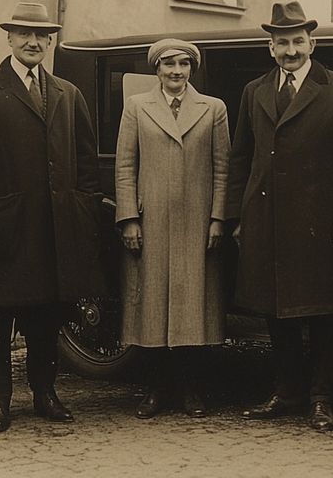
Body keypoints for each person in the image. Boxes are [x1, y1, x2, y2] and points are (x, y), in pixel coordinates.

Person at [0, 2, 105, 433]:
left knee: (47, 317)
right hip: (3, 227)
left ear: (50, 42)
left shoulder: (66, 93)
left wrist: (84, 205)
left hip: (54, 229)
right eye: (24, 34)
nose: (33, 42)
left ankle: (45, 393)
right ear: (9, 38)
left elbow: (86, 161)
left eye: (42, 36)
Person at [227, 1, 333, 431]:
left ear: (312, 44)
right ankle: (287, 391)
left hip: (318, 221)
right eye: (282, 43)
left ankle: (321, 397)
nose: (290, 50)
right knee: (276, 310)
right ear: (270, 48)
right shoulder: (254, 91)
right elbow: (240, 158)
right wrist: (237, 216)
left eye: (297, 41)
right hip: (267, 218)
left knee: (324, 312)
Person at [115, 38, 230, 419]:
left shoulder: (213, 109)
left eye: (183, 64)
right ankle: (155, 389)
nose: (176, 71)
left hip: (197, 222)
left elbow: (222, 169)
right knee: (152, 307)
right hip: (152, 221)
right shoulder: (137, 107)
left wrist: (217, 218)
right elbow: (125, 166)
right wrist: (129, 218)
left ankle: (191, 389)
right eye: (169, 64)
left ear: (192, 69)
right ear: (157, 69)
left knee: (193, 306)